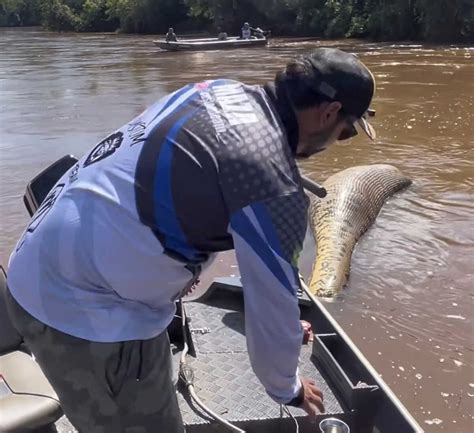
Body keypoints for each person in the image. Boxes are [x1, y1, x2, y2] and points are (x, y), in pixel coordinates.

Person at [5, 48, 376, 433]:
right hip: (82, 312)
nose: (339, 139)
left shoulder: (217, 91)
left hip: (41, 259)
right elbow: (272, 308)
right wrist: (290, 388)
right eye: (346, 132)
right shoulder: (271, 189)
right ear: (329, 113)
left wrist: (281, 326)